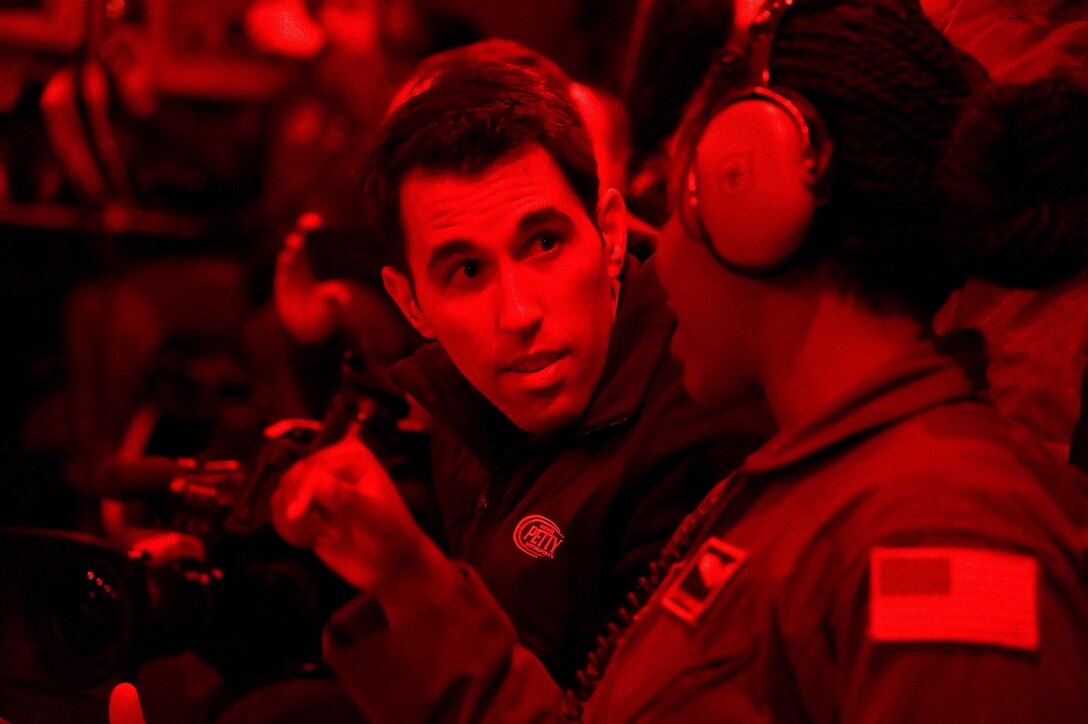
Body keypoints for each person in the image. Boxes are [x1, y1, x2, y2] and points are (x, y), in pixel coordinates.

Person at [272, 0, 1088, 720]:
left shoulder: (944, 541)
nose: (657, 260)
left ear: (761, 218)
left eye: (689, 200)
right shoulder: (801, 486)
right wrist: (410, 580)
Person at [273, 57, 772, 687]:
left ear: (610, 235)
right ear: (411, 304)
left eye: (543, 243)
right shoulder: (462, 397)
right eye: (467, 271)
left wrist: (412, 586)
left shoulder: (702, 432)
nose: (518, 314)